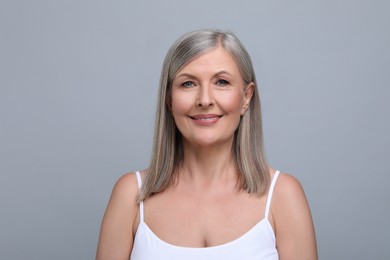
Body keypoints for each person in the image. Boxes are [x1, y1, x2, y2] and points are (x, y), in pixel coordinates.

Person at [96, 29, 317, 260]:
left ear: (246, 97)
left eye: (221, 82)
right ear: (169, 100)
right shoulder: (131, 195)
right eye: (188, 84)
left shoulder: (283, 195)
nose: (204, 100)